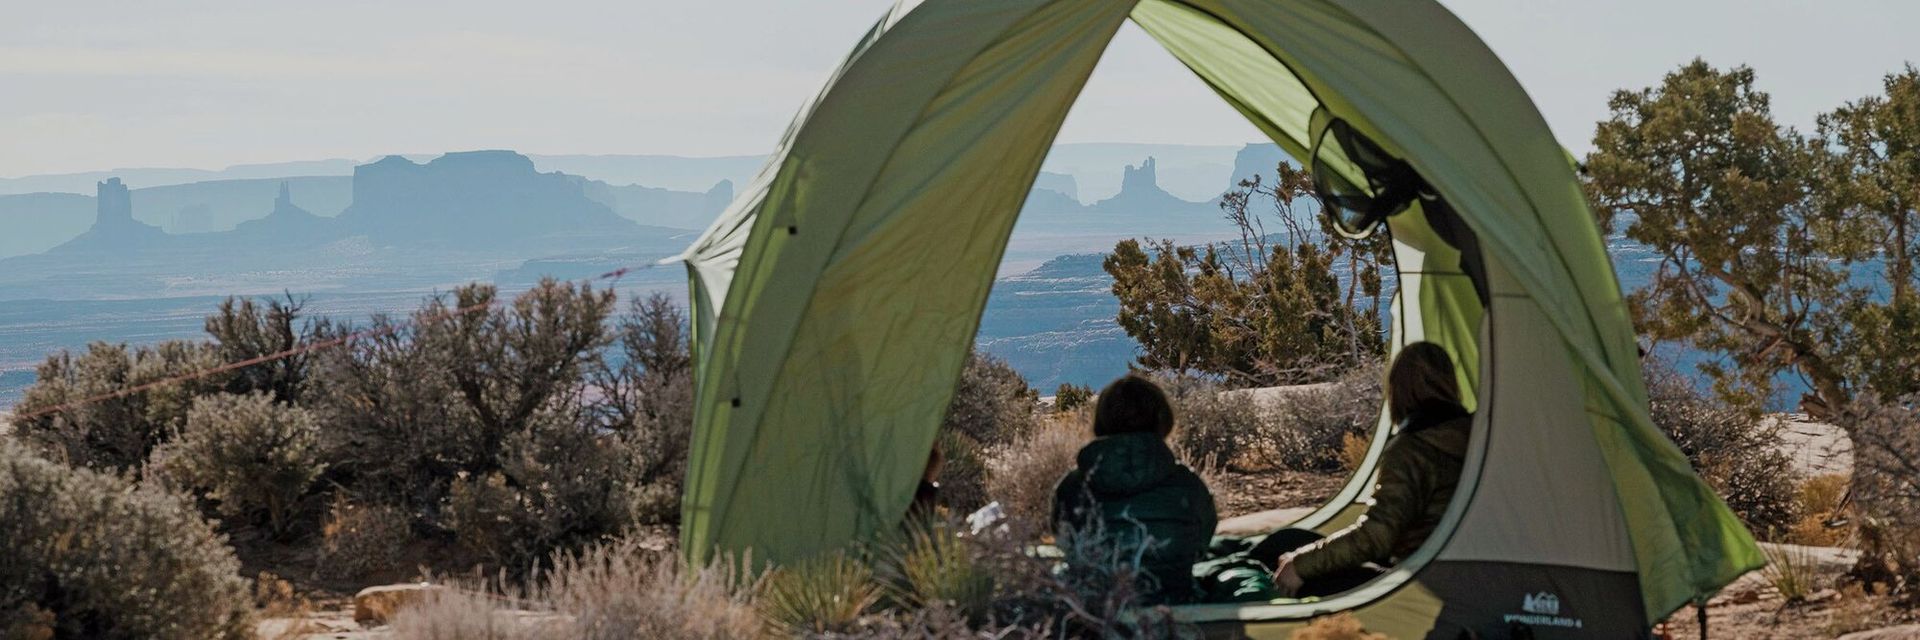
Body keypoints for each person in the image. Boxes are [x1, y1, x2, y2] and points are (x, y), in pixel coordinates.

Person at [1270, 342, 1473, 598]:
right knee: (1288, 540)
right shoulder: (1477, 435)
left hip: (1415, 581)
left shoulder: (1412, 448)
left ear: (1398, 389)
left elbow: (1377, 536)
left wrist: (1299, 565)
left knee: (1285, 561)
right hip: (1455, 572)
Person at [1052, 375, 1218, 604]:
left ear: (1102, 420)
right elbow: (1200, 546)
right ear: (1162, 420)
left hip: (1095, 610)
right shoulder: (1189, 485)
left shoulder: (1071, 487)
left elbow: (1064, 541)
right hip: (1172, 605)